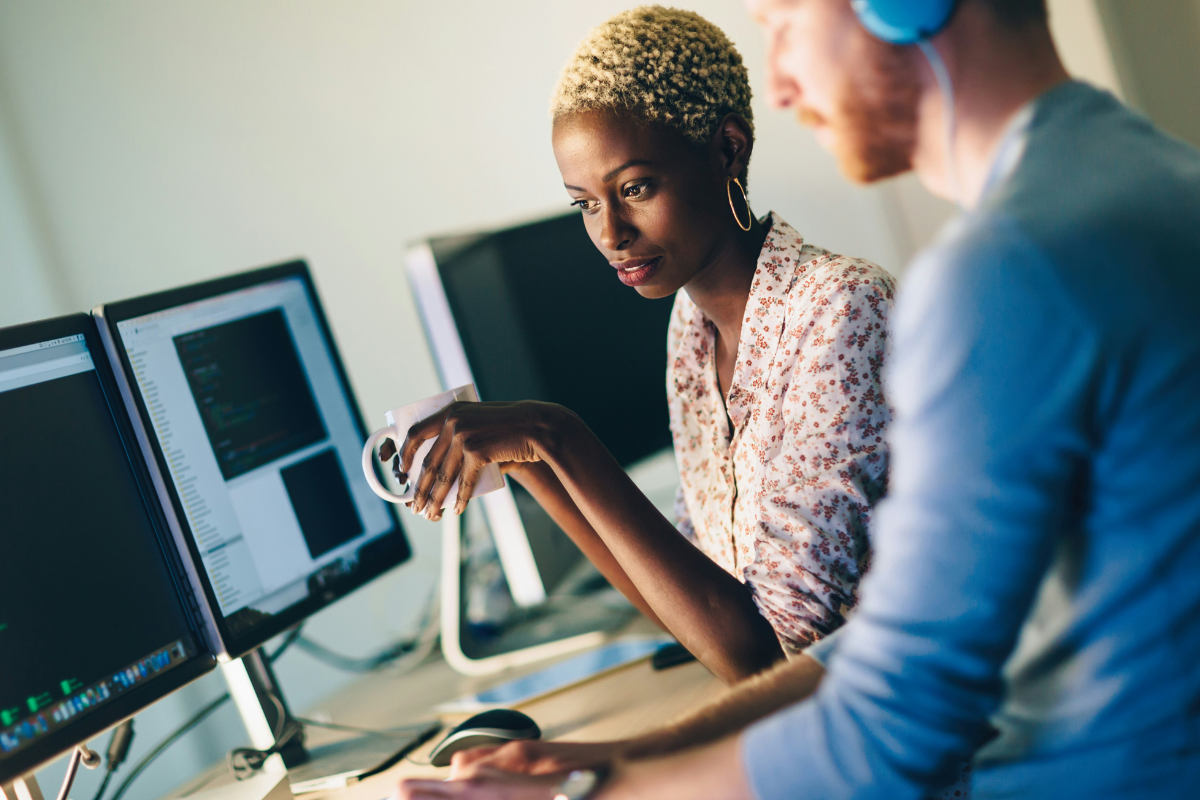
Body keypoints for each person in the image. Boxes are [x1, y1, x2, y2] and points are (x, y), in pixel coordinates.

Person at [397, 0, 1200, 799]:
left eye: (785, 23)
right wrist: (617, 759)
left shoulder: (1004, 271)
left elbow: (892, 711)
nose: (777, 84)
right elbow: (895, 645)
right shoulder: (1151, 178)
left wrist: (595, 792)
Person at [384, 5, 895, 685]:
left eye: (635, 189)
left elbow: (767, 658)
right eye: (585, 204)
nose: (610, 233)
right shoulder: (691, 327)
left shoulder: (840, 311)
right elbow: (689, 610)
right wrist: (531, 462)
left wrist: (555, 433)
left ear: (727, 150)